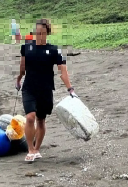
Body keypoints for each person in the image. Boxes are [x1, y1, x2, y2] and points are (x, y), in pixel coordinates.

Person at [16, 19, 77, 162]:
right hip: (29, 88)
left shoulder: (55, 50)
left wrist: (70, 89)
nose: (39, 36)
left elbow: (63, 71)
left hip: (45, 89)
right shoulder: (26, 48)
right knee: (30, 117)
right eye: (37, 33)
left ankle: (37, 149)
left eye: (42, 33)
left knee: (41, 120)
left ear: (47, 33)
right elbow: (22, 68)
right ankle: (30, 149)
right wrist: (18, 79)